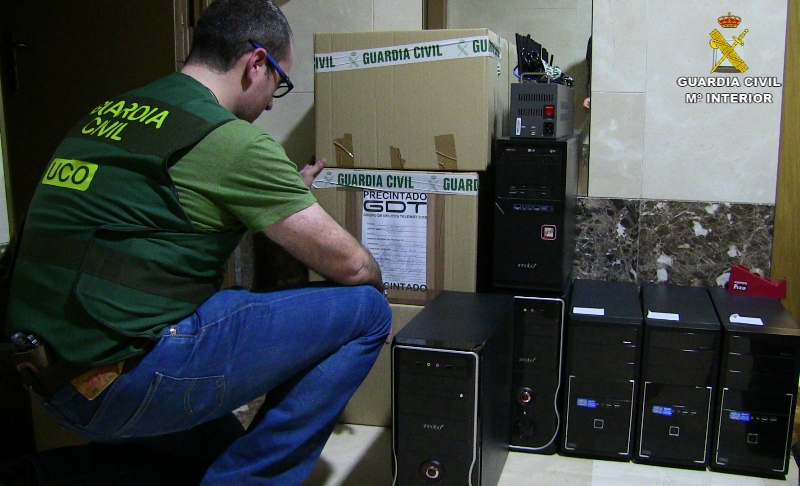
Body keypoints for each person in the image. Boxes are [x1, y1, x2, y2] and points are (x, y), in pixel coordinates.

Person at [1, 0, 391, 484]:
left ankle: (40, 477)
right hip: (125, 382)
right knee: (368, 310)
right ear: (256, 63)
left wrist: (280, 195)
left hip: (51, 380)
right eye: (279, 83)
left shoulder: (115, 111)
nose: (273, 102)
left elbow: (153, 215)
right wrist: (380, 284)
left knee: (220, 455)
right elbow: (354, 267)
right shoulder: (233, 142)